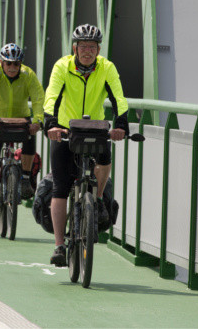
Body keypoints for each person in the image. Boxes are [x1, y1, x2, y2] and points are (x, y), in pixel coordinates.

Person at [44, 24, 129, 266]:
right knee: (60, 187)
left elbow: (118, 98)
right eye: (83, 46)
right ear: (75, 48)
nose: (88, 51)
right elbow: (52, 96)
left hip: (94, 128)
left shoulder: (106, 68)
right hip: (65, 130)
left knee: (104, 160)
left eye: (92, 47)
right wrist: (51, 124)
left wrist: (121, 124)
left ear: (98, 49)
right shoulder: (62, 66)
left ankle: (99, 199)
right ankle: (59, 245)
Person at [0, 43, 44, 214]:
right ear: (1, 62)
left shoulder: (28, 75)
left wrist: (37, 121)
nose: (13, 67)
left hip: (20, 119)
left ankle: (26, 179)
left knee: (30, 141)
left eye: (16, 64)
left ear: (21, 64)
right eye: (9, 63)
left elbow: (38, 98)